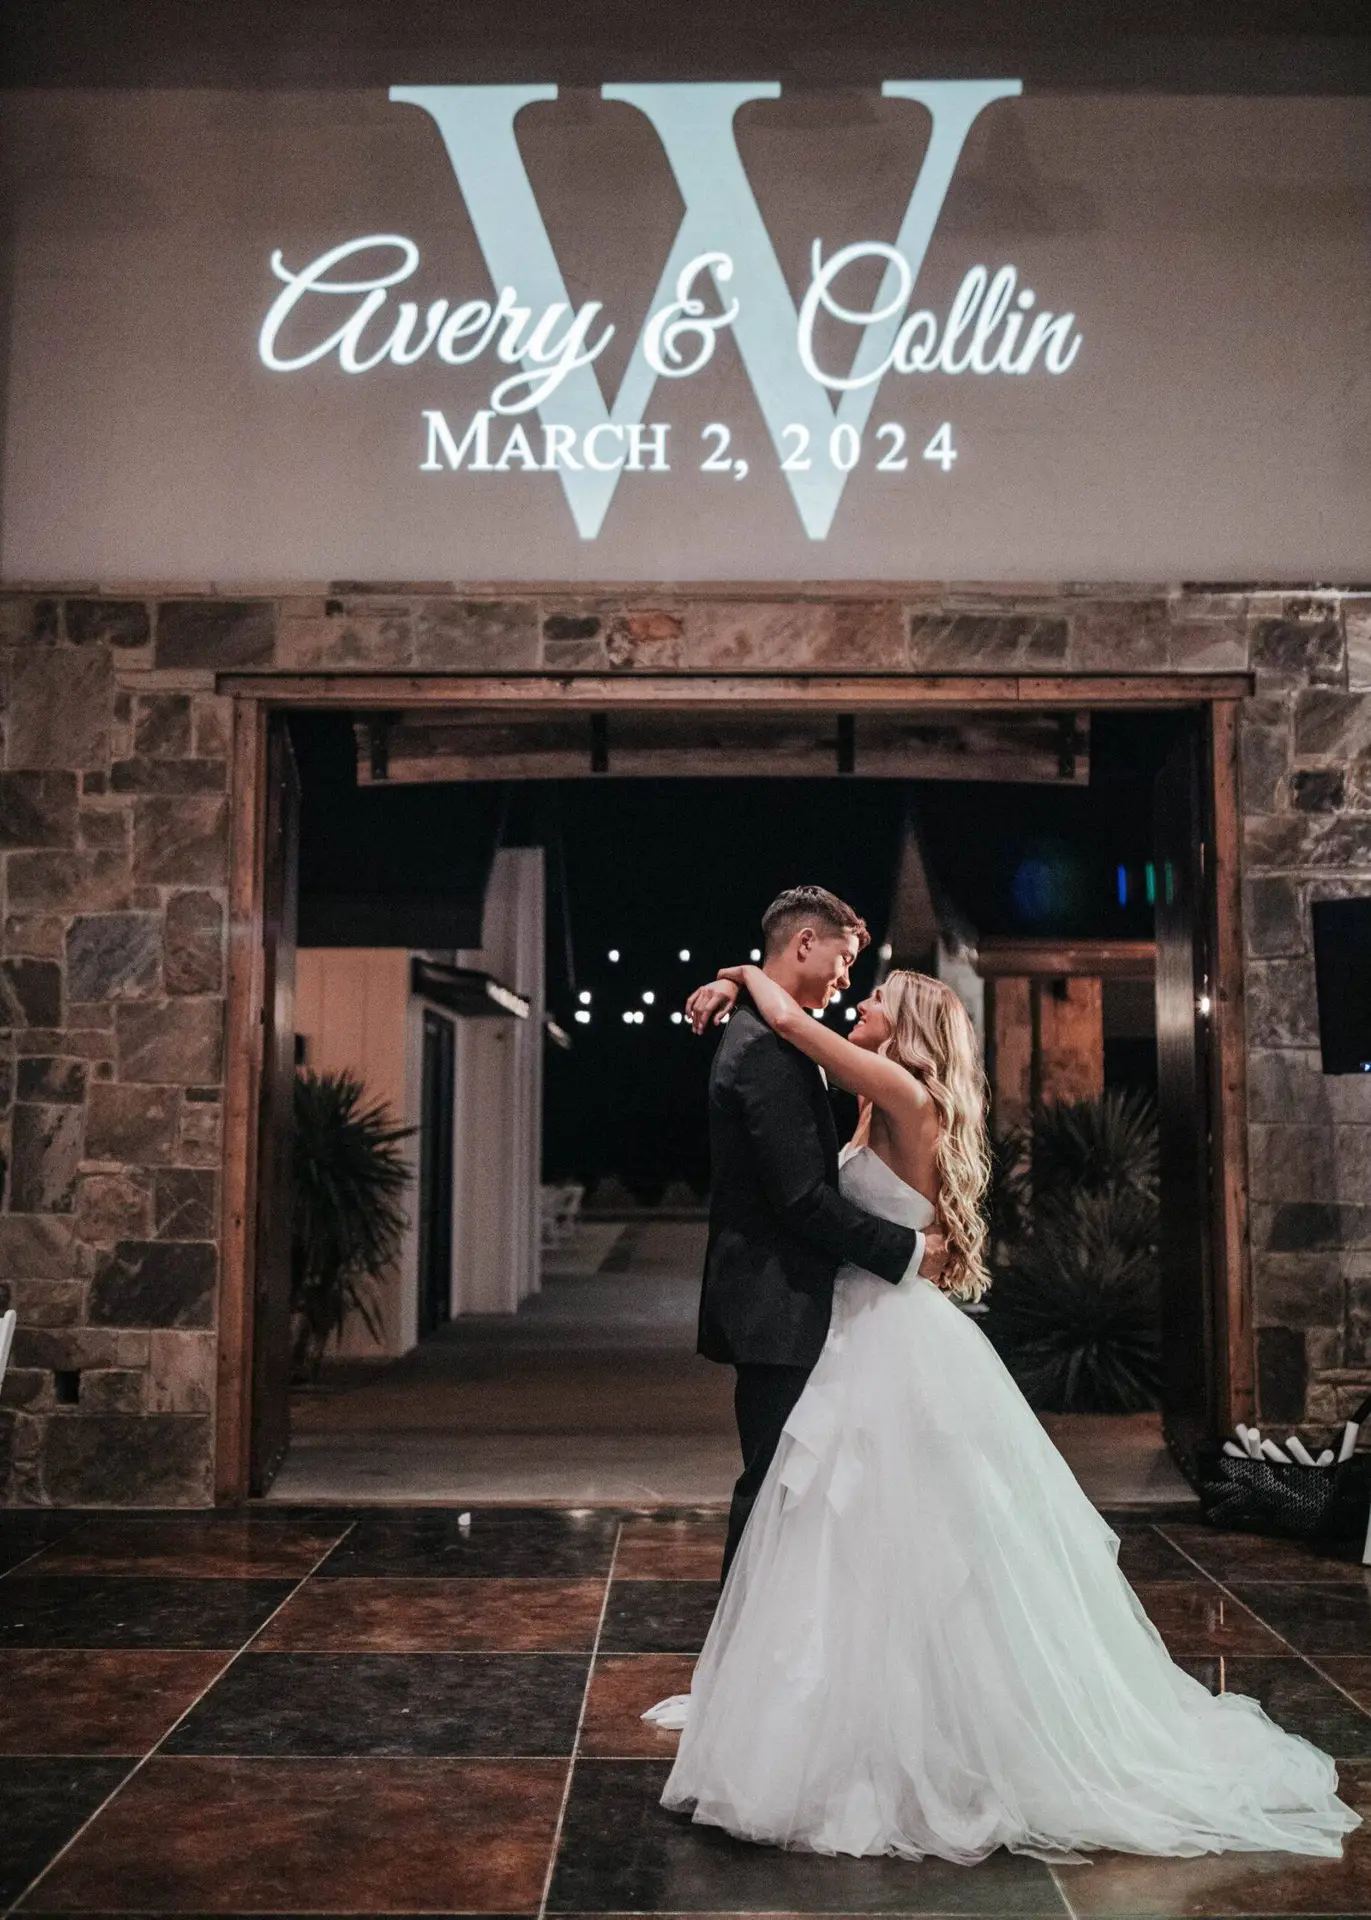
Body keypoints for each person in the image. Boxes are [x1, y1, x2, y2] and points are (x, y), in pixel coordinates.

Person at [644, 956, 1359, 1864]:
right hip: (861, 1330)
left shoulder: (902, 1089)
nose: (857, 1003)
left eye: (875, 999)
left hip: (893, 1343)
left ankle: (918, 1740)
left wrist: (743, 972)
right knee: (852, 1538)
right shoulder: (881, 1099)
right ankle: (855, 1718)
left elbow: (791, 1027)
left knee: (906, 1539)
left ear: (905, 1027)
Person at [688, 886, 948, 1583]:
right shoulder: (769, 1049)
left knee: (804, 1491)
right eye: (843, 958)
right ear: (804, 942)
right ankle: (746, 1663)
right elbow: (802, 1199)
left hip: (818, 1311)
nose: (847, 982)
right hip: (781, 1308)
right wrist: (910, 1253)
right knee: (777, 1489)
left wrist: (733, 976)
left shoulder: (787, 1043)